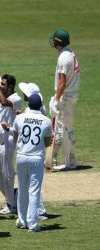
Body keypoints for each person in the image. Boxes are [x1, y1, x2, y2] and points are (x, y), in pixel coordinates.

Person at [12, 94, 52, 232]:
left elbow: (15, 138)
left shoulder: (20, 117)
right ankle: (33, 224)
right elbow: (47, 143)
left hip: (21, 156)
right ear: (40, 106)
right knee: (34, 191)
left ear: (28, 104)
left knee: (22, 189)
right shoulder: (46, 120)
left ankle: (22, 221)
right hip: (36, 158)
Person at [49, 28, 80, 171]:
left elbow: (62, 80)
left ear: (58, 42)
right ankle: (69, 160)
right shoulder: (71, 53)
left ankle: (64, 162)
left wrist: (56, 99)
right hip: (71, 95)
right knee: (66, 128)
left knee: (63, 129)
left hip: (65, 96)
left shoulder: (63, 57)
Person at [18, 82, 49, 220]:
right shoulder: (44, 116)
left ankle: (29, 216)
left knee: (25, 189)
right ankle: (33, 219)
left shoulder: (23, 116)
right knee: (34, 188)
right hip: (37, 156)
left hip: (24, 154)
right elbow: (48, 141)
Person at [0, 74, 22, 215]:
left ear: (10, 87)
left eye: (3, 84)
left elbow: (5, 102)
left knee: (7, 171)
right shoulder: (1, 94)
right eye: (1, 84)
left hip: (9, 138)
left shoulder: (16, 98)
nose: (0, 86)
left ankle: (11, 204)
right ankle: (11, 196)